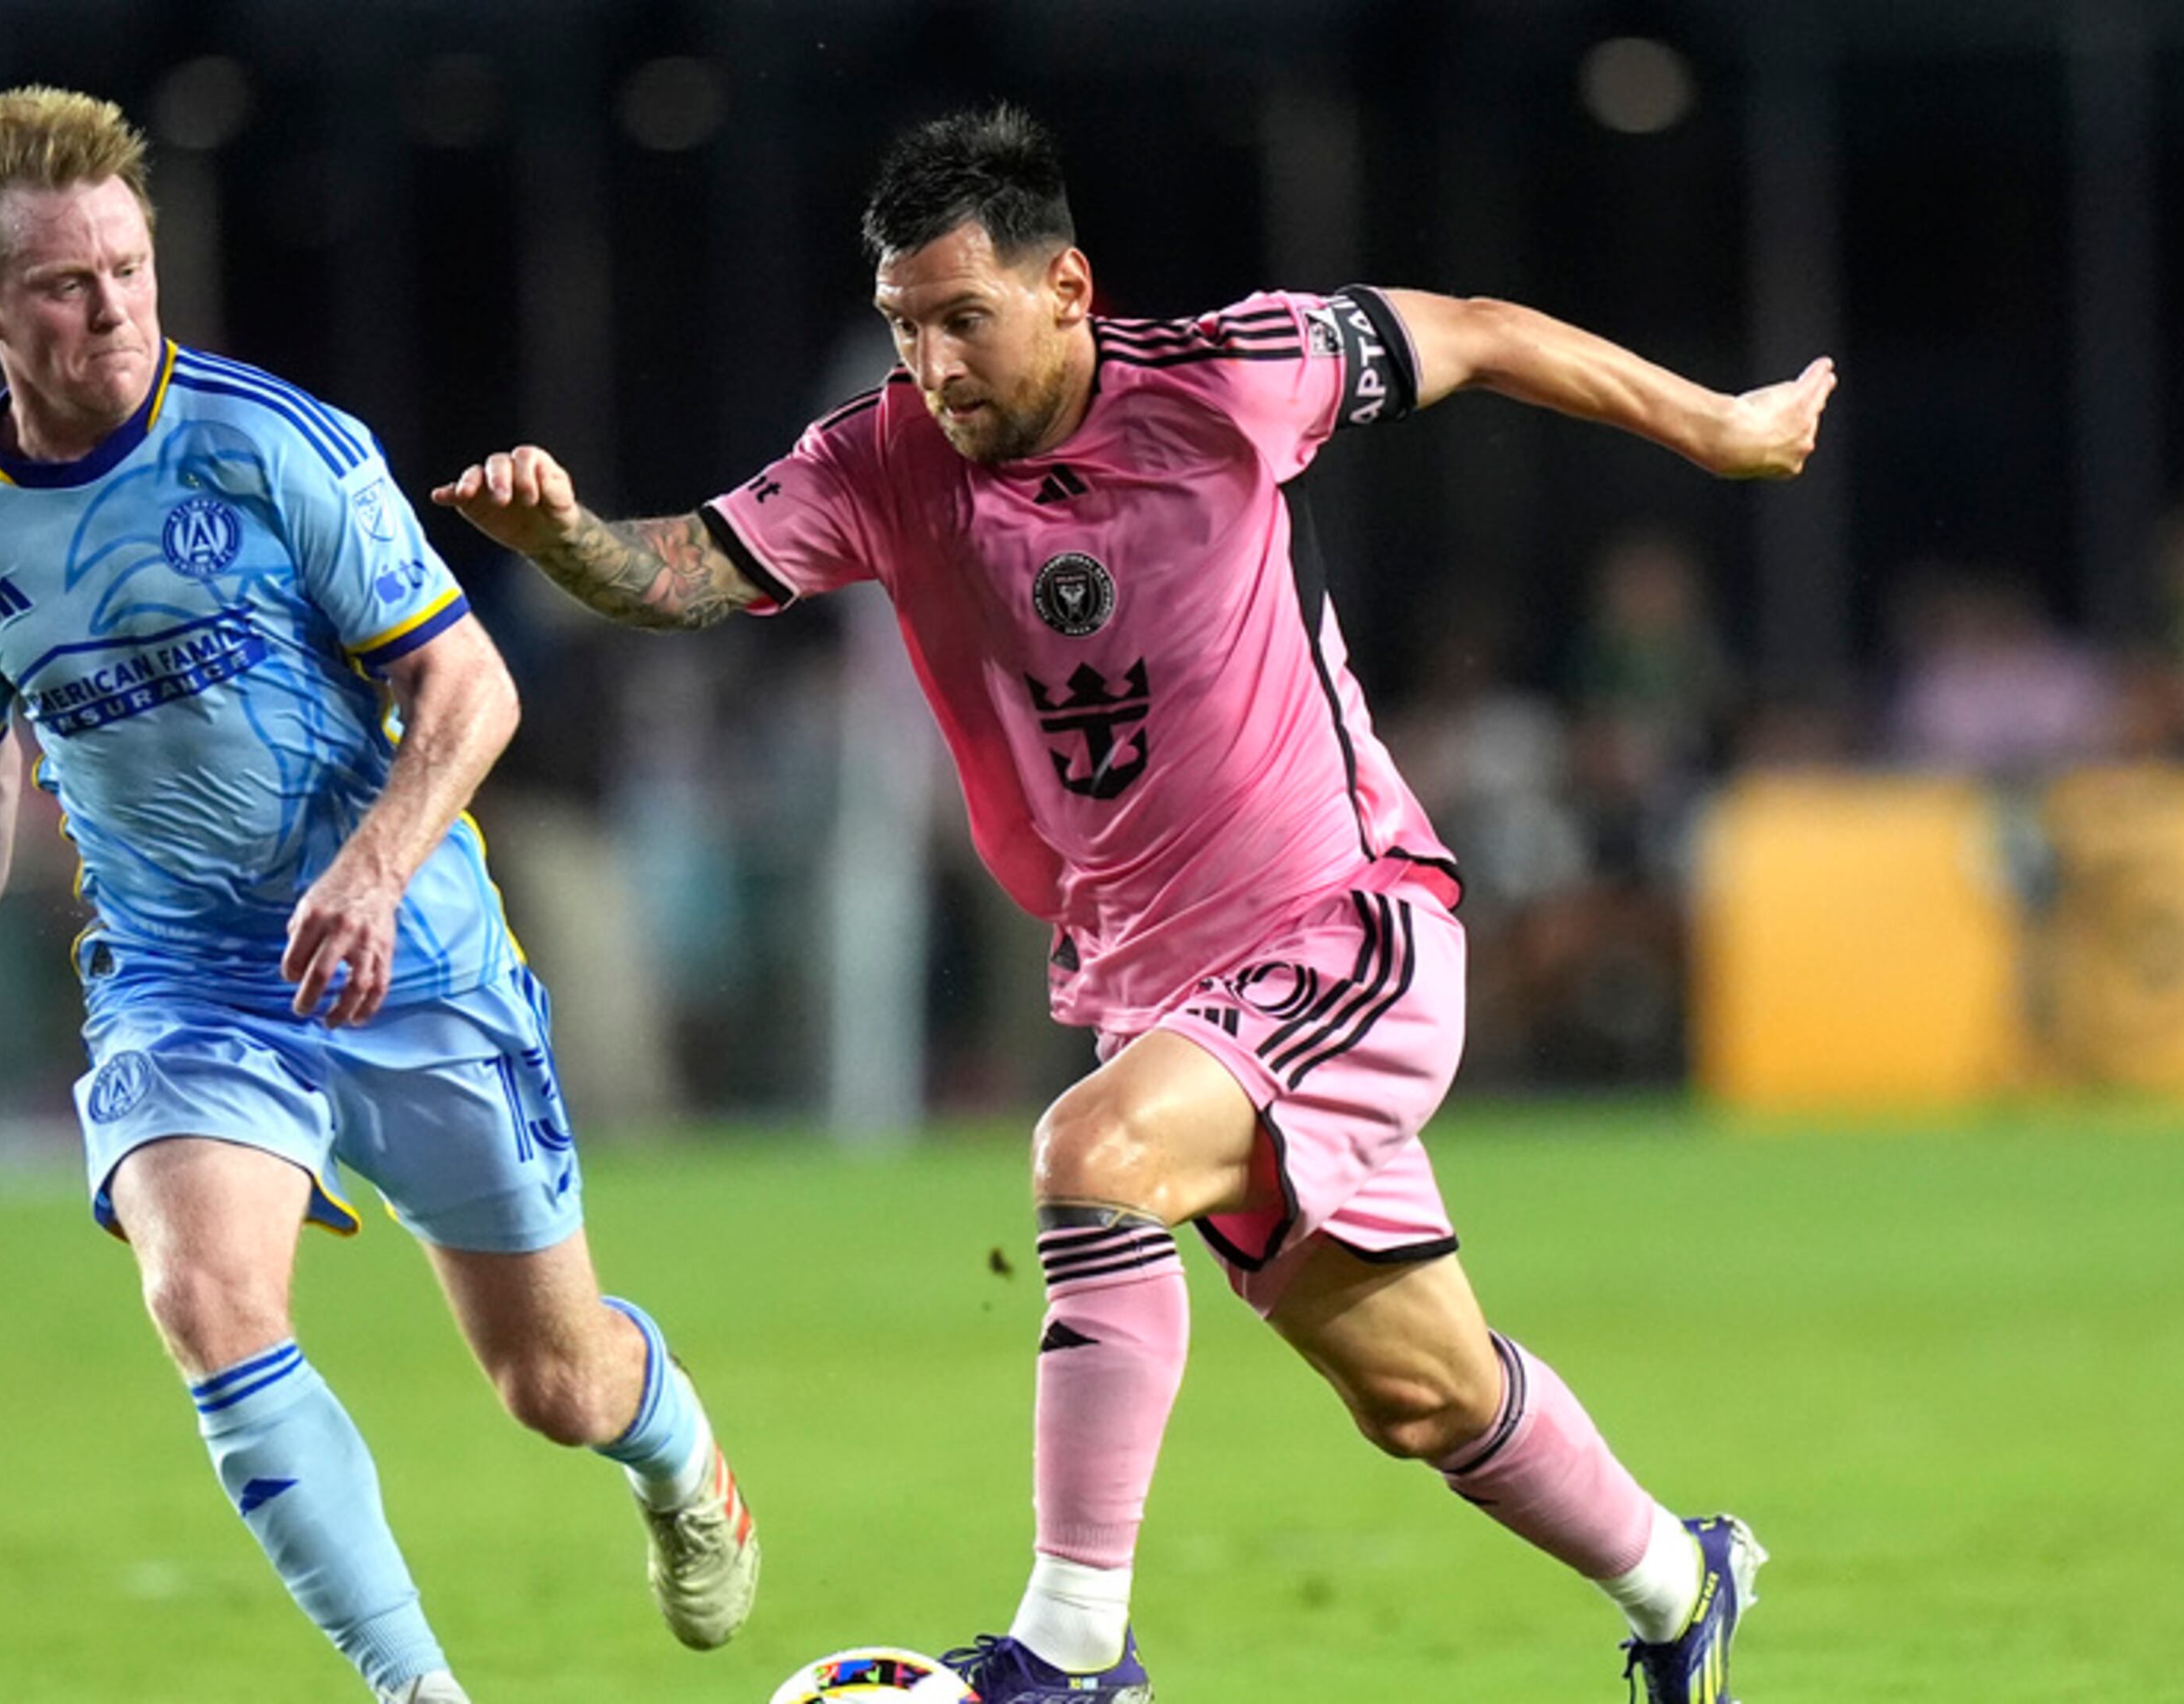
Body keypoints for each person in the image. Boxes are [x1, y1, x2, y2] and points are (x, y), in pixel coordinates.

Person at [438, 106, 1834, 1703]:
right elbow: (684, 571)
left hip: (1343, 922)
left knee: (1089, 1158)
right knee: (1423, 1396)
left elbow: (1482, 332)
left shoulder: (1228, 378)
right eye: (906, 328)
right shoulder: (881, 460)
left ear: (1067, 288)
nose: (934, 365)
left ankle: (1073, 1652)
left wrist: (1719, 430)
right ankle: (1680, 1582)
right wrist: (562, 540)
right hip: (1157, 988)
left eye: (963, 318)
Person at [0, 88, 756, 1704]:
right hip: (183, 985)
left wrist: (368, 874)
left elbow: (471, 688)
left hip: (410, 957)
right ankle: (420, 1693)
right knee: (202, 1292)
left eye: (132, 268)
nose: (117, 309)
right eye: (69, 285)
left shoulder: (273, 445)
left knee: (552, 1385)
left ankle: (677, 1449)